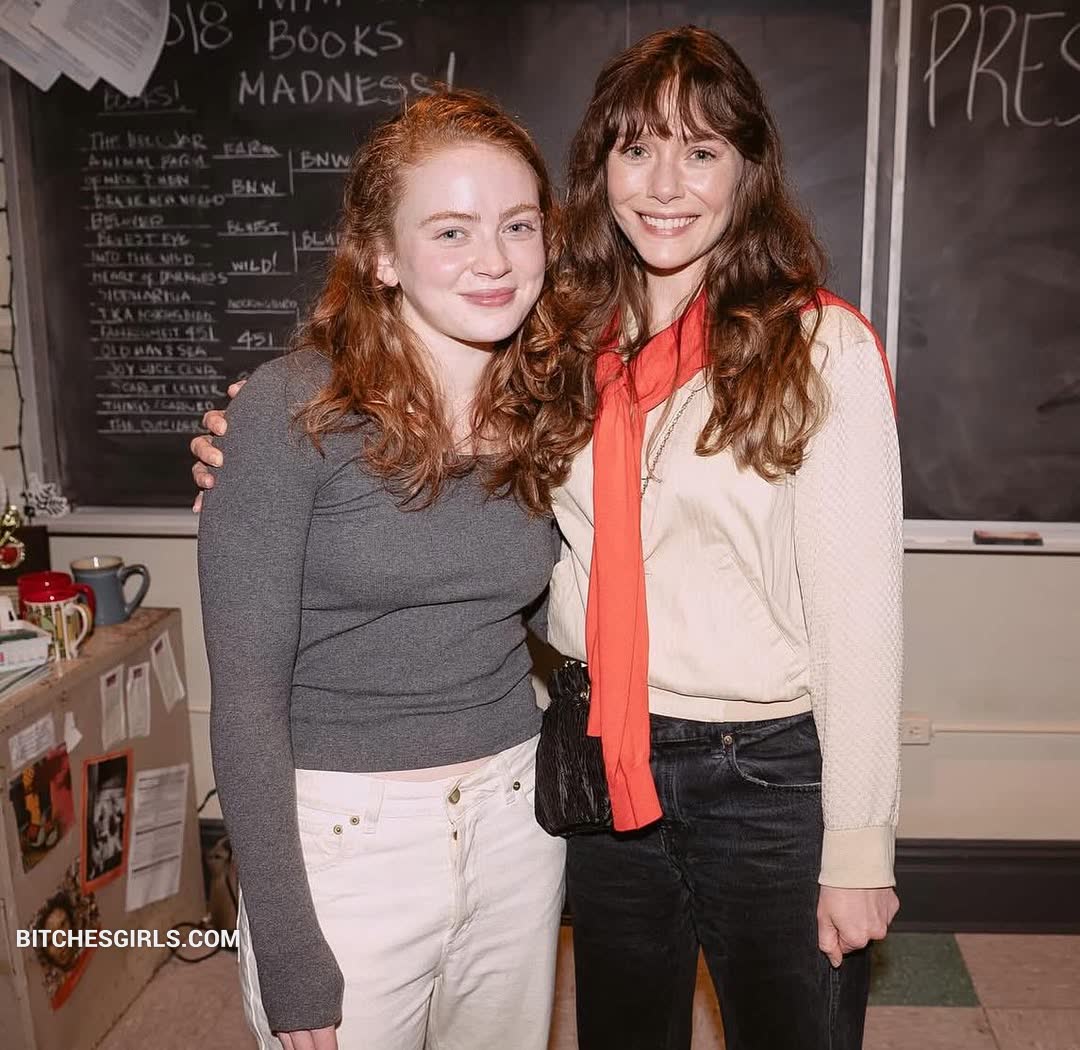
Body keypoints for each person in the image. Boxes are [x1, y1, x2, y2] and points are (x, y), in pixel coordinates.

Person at [194, 26, 903, 1050]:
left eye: (703, 151)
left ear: (747, 171)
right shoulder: (562, 349)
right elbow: (431, 477)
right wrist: (251, 442)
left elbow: (862, 618)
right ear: (599, 170)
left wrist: (862, 844)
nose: (666, 184)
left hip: (761, 774)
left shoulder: (815, 345)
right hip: (596, 760)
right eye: (636, 149)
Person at [196, 91, 591, 1050]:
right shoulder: (292, 410)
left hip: (516, 821)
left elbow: (555, 604)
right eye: (450, 231)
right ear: (381, 255)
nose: (494, 260)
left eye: (518, 225)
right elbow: (244, 703)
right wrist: (288, 951)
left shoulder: (550, 409)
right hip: (345, 844)